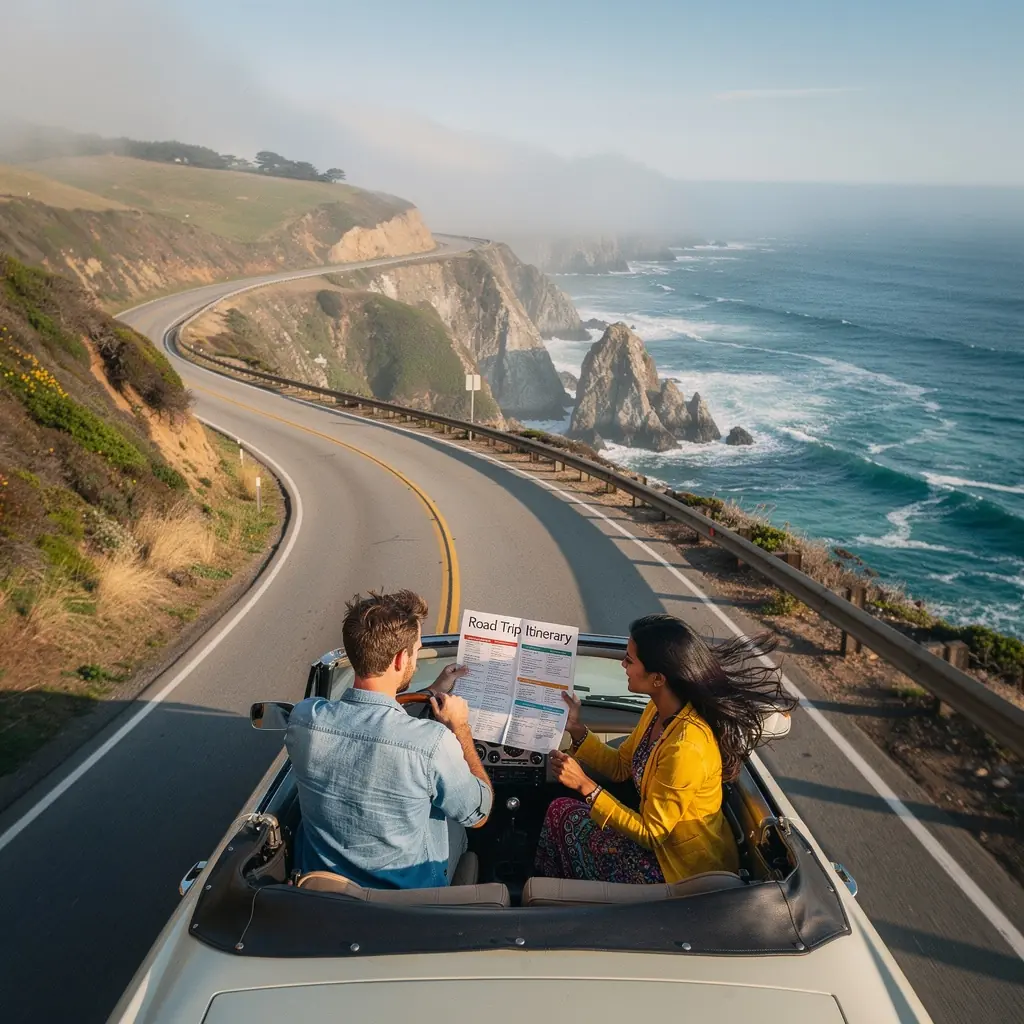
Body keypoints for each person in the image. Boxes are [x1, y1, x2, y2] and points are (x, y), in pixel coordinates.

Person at [535, 614, 796, 885]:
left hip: (678, 870)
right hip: (661, 850)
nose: (622, 665)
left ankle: (555, 896)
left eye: (630, 660)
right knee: (561, 811)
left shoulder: (686, 747)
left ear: (658, 678)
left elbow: (652, 834)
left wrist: (585, 786)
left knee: (561, 814)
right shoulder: (658, 710)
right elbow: (622, 766)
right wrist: (577, 729)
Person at [286, 589, 493, 889]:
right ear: (399, 659)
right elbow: (479, 812)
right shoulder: (433, 743)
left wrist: (433, 690)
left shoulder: (305, 719)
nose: (417, 660)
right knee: (458, 826)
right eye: (417, 651)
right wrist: (460, 729)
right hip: (406, 904)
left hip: (325, 893)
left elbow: (376, 725)